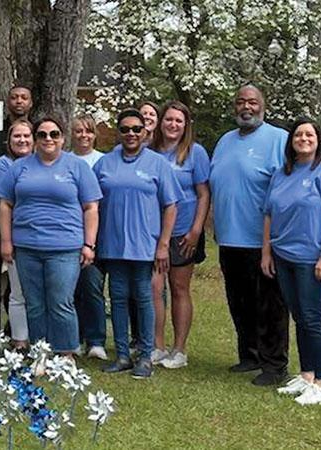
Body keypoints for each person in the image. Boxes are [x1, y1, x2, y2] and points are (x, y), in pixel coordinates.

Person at [261, 119, 321, 405]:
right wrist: (266, 252)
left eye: (309, 134)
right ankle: (307, 375)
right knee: (299, 318)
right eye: (298, 134)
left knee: (313, 320)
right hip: (284, 256)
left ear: (318, 140)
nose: (303, 138)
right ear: (291, 142)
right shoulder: (281, 174)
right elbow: (269, 215)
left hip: (315, 260)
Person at [0, 118, 101, 355]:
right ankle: (40, 353)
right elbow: (5, 204)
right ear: (35, 139)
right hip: (26, 247)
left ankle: (65, 354)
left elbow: (91, 208)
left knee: (61, 303)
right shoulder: (20, 167)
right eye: (42, 134)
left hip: (65, 247)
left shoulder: (77, 167)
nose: (48, 139)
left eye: (54, 134)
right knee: (34, 304)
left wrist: (89, 244)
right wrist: (6, 241)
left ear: (63, 139)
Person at [210, 85, 291, 386]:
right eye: (241, 102)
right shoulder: (224, 142)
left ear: (263, 106)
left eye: (253, 102)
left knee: (270, 305)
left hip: (262, 240)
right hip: (230, 239)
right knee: (239, 301)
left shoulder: (278, 139)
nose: (247, 107)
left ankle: (274, 365)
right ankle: (249, 354)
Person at [93, 109, 179, 379]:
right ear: (118, 133)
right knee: (117, 298)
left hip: (145, 244)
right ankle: (121, 354)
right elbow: (90, 204)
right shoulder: (105, 164)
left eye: (136, 129)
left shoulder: (158, 164)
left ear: (145, 132)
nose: (131, 134)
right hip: (112, 243)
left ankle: (145, 355)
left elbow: (171, 206)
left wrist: (163, 243)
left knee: (144, 297)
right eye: (125, 129)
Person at [148, 101, 210, 369]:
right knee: (154, 287)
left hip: (185, 231)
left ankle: (179, 349)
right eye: (169, 120)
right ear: (161, 122)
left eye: (179, 121)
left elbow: (203, 193)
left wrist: (197, 229)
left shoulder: (195, 153)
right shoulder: (149, 152)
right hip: (153, 231)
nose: (173, 125)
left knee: (179, 288)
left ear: (186, 126)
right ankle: (157, 345)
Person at [0, 85, 32, 341]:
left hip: (26, 221)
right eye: (14, 97)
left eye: (24, 97)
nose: (19, 101)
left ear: (30, 102)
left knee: (18, 282)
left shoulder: (37, 133)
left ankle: (17, 327)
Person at [0, 120, 34, 350]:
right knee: (16, 291)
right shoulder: (4, 165)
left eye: (27, 136)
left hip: (39, 237)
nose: (22, 140)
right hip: (13, 234)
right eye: (17, 136)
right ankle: (19, 339)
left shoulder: (39, 163)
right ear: (9, 140)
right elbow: (3, 202)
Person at [68, 114, 108, 360]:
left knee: (92, 286)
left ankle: (96, 340)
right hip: (68, 233)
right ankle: (74, 338)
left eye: (88, 131)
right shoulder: (64, 160)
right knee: (70, 290)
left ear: (95, 134)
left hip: (95, 234)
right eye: (79, 131)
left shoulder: (103, 161)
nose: (84, 135)